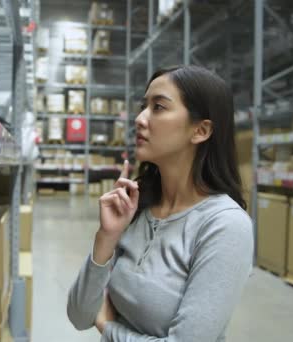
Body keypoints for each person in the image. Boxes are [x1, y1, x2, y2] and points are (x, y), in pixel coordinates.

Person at [67, 65, 254, 341]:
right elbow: (80, 315)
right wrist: (106, 238)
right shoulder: (139, 207)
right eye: (144, 106)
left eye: (158, 107)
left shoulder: (225, 225)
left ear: (200, 131)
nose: (140, 119)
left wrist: (109, 328)